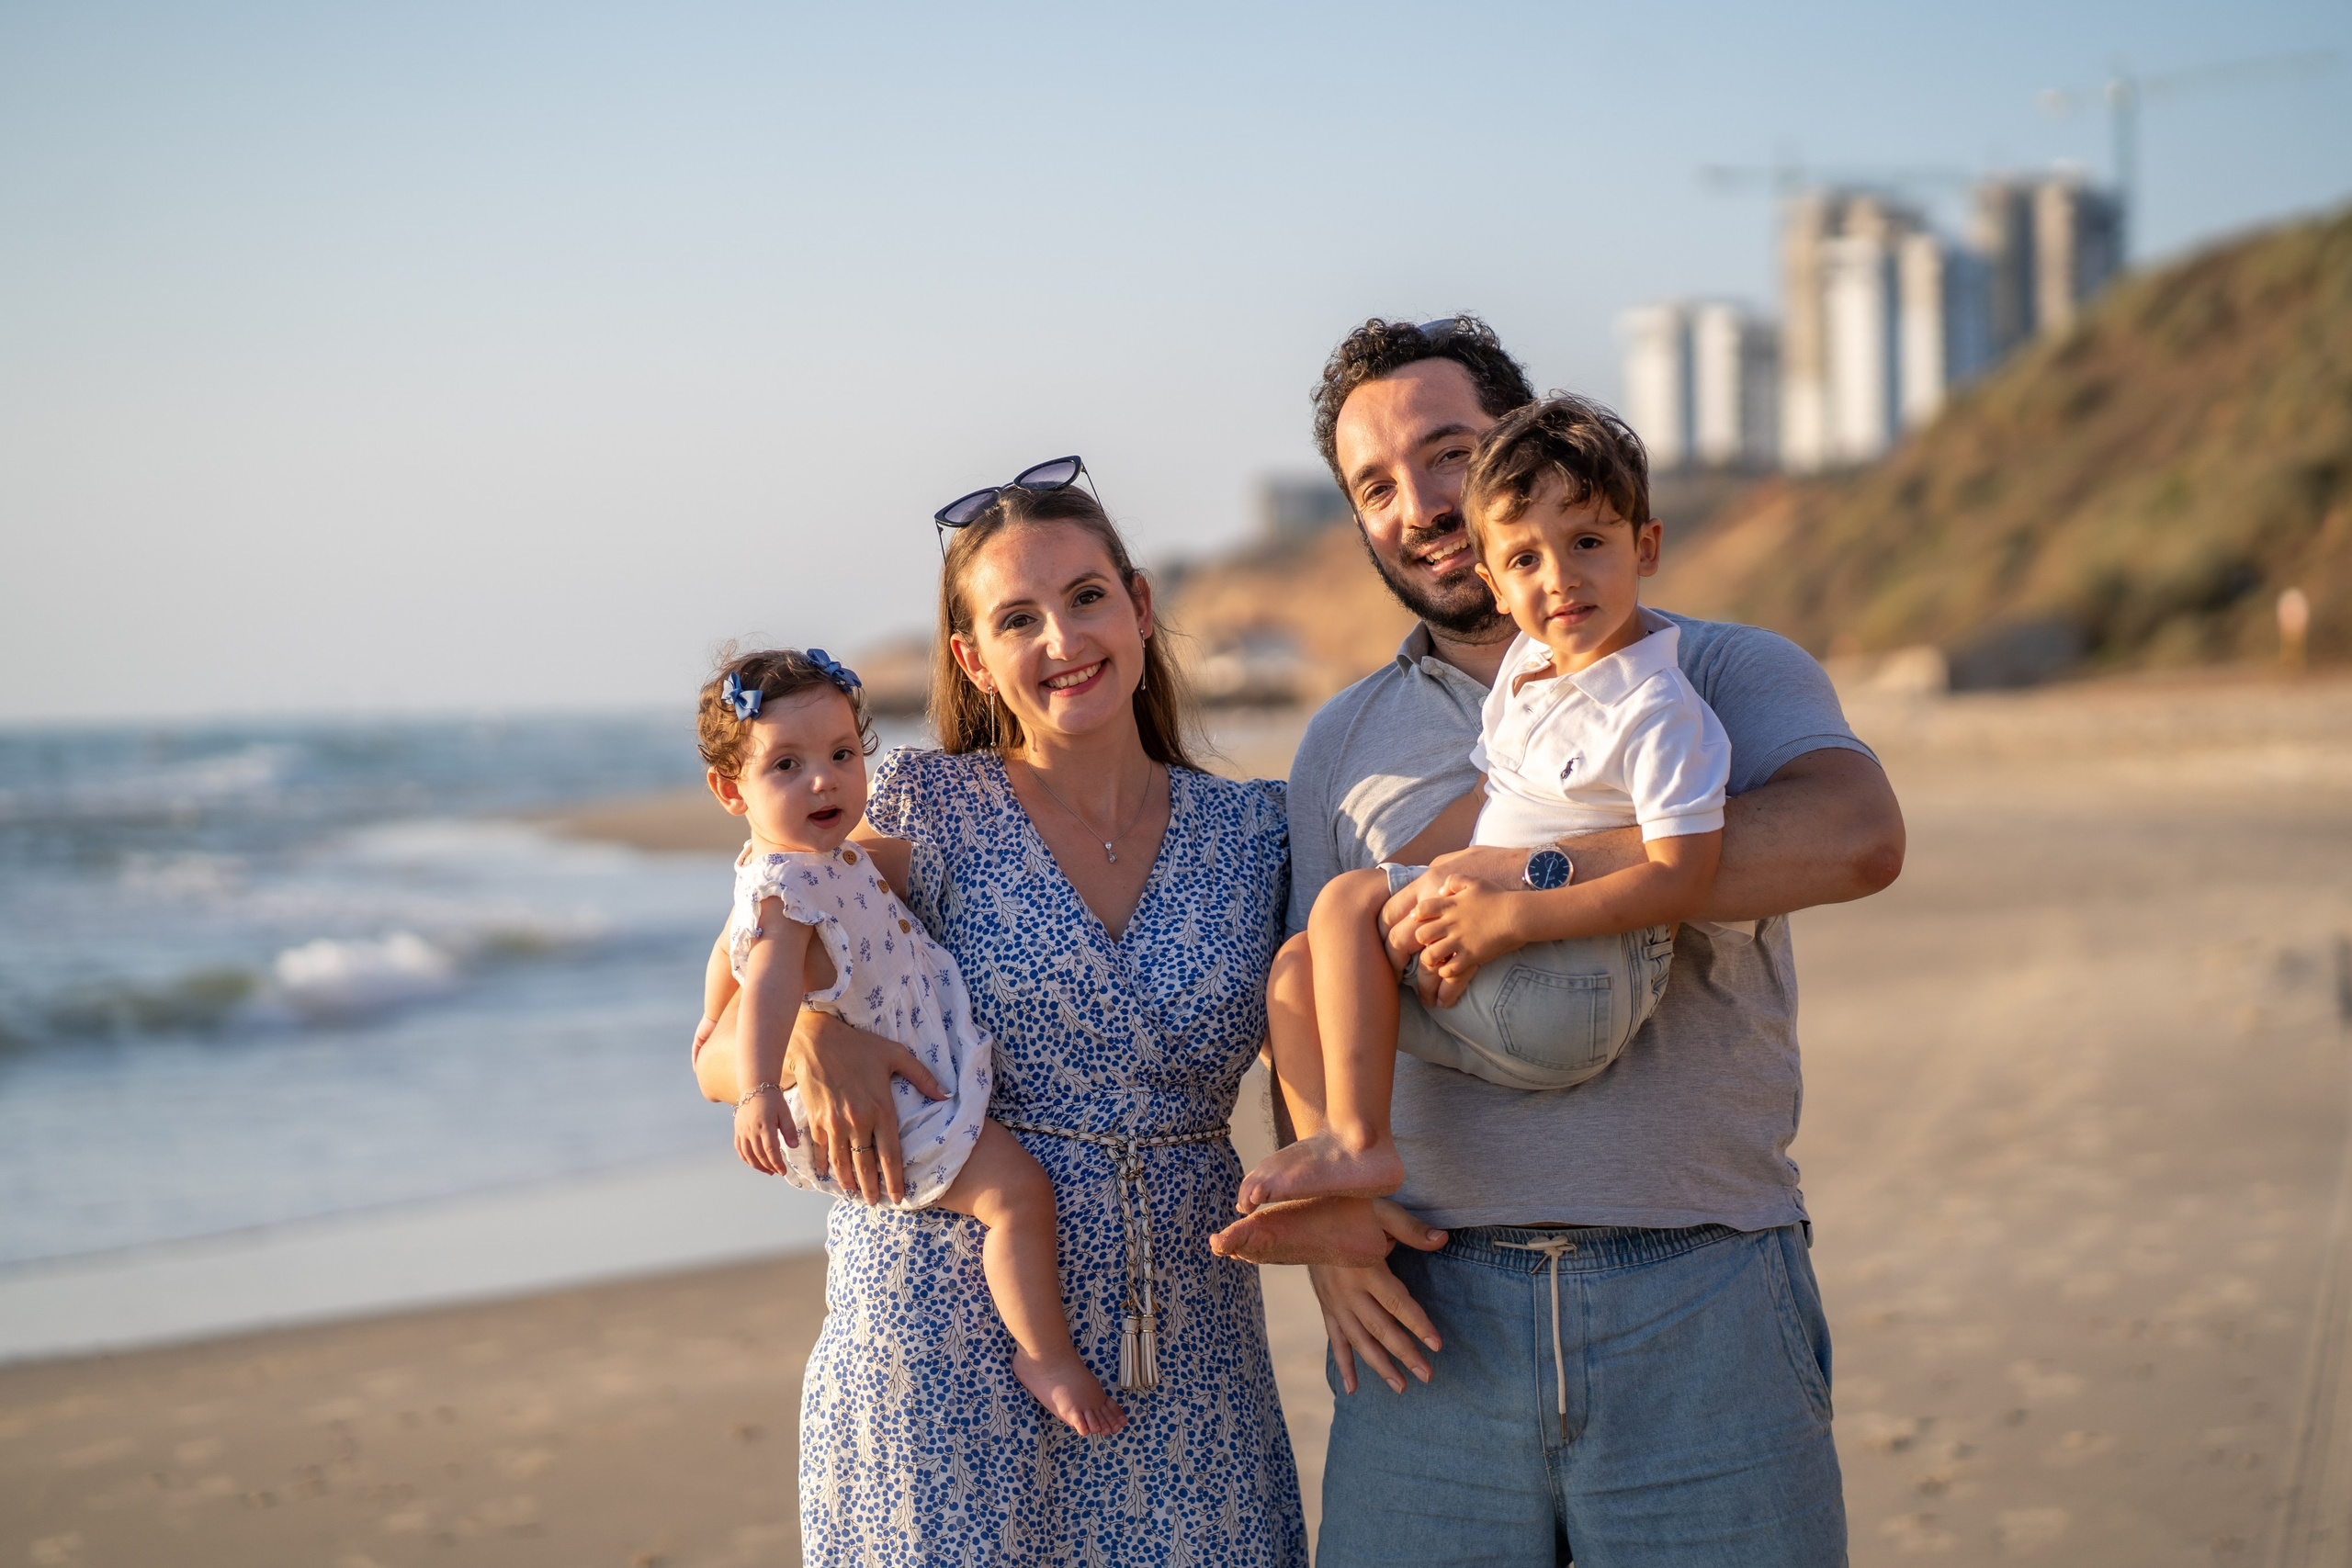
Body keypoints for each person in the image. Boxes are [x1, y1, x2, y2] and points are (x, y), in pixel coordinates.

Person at [1213, 316, 1905, 1566]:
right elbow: (1308, 998)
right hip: (1434, 1326)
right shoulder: (1342, 740)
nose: (1418, 502)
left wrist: (1519, 876)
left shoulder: (1709, 668)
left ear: (1519, 453)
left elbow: (1857, 837)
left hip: (1701, 1292)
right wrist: (1333, 1247)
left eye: (1446, 453)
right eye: (1375, 484)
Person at [695, 466, 1306, 1564]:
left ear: (1139, 605)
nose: (1062, 639)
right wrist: (812, 1036)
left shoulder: (1253, 835)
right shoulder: (921, 812)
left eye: (1083, 598)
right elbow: (717, 1039)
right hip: (936, 1333)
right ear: (974, 658)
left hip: (1188, 1339)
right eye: (1016, 619)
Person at [1235, 394, 1732, 1213]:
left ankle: (1361, 1142)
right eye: (1527, 560)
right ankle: (1334, 1184)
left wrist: (1505, 915)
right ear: (1495, 582)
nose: (1561, 578)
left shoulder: (1658, 705)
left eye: (1587, 543)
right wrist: (1410, 883)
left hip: (1582, 972)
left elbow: (1683, 877)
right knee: (1300, 967)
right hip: (1521, 977)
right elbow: (1484, 797)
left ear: (1645, 547)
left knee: (1345, 904)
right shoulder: (1530, 672)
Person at [690, 645, 1126, 1436]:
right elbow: (763, 986)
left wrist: (712, 1007)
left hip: (890, 1080)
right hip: (884, 1111)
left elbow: (729, 952)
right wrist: (755, 1083)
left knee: (1014, 1194)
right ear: (731, 790)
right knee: (1016, 1194)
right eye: (786, 764)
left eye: (841, 754)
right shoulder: (785, 895)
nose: (823, 779)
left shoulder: (821, 862)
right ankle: (1046, 1354)